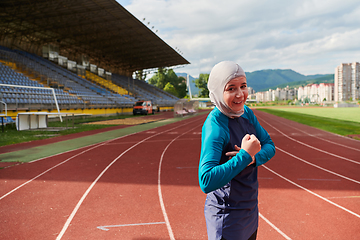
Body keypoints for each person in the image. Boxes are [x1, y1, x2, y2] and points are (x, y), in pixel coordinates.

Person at [198, 61, 276, 240]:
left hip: (249, 211)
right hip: (227, 218)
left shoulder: (246, 113)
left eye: (243, 86)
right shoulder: (216, 127)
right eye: (231, 88)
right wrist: (245, 155)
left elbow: (270, 145)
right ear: (218, 91)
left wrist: (252, 159)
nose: (240, 94)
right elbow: (206, 180)